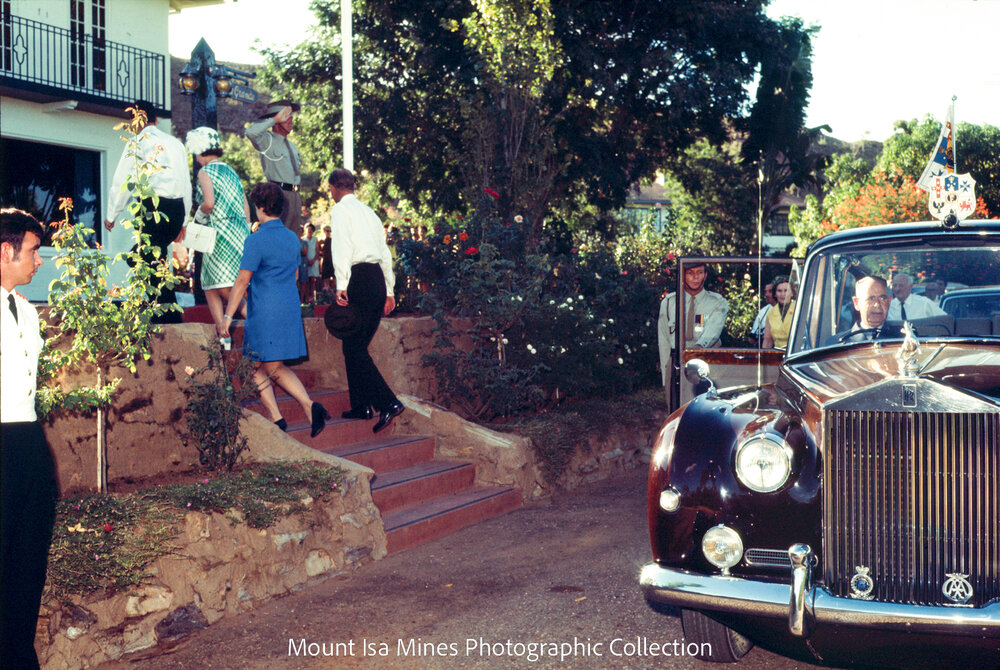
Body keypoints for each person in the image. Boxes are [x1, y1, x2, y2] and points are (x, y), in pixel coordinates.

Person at [218, 183, 329, 437]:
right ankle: (286, 416)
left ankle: (301, 409)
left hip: (265, 310)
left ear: (260, 207)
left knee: (266, 366)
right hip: (288, 307)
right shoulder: (293, 239)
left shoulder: (256, 240)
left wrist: (227, 317)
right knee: (264, 365)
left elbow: (242, 281)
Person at [1, 209, 57, 669]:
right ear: (7, 250)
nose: (40, 260)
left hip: (30, 446)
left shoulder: (27, 312)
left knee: (27, 570)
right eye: (34, 250)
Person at [328, 168, 404, 433]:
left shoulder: (340, 211)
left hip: (358, 278)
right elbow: (384, 253)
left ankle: (388, 402)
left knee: (356, 347)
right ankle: (361, 406)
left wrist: (341, 284)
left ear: (333, 189)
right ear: (353, 186)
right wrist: (390, 290)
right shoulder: (370, 212)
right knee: (353, 343)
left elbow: (342, 248)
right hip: (376, 279)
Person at [104, 100, 191, 316]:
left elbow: (123, 180)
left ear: (134, 121)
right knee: (154, 257)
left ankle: (165, 310)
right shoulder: (175, 143)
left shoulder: (137, 142)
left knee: (142, 257)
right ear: (156, 119)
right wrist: (185, 220)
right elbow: (186, 181)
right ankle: (163, 308)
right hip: (177, 208)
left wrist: (111, 214)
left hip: (154, 207)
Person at [185, 127, 251, 334]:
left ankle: (232, 332)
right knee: (214, 284)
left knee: (218, 286)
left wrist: (197, 219)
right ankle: (223, 332)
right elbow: (245, 205)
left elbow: (209, 204)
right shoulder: (231, 170)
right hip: (239, 231)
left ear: (199, 150)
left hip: (219, 232)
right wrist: (245, 231)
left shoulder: (205, 172)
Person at [657, 260, 729, 394]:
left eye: (700, 273)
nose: (695, 277)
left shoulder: (718, 302)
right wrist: (666, 376)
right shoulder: (669, 303)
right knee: (676, 411)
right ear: (682, 275)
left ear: (705, 275)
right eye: (690, 273)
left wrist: (696, 351)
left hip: (707, 364)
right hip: (676, 364)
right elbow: (664, 340)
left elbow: (712, 333)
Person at [245, 101, 303, 236]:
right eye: (286, 117)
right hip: (279, 194)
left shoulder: (292, 146)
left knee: (293, 238)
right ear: (277, 120)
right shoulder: (267, 141)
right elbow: (251, 133)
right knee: (277, 236)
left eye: (291, 117)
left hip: (296, 195)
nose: (291, 120)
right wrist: (274, 120)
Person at [829, 276, 903, 344]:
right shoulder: (836, 343)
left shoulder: (904, 339)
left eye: (882, 298)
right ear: (856, 303)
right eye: (870, 298)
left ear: (889, 302)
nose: (877, 304)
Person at [762, 276, 795, 349]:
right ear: (775, 294)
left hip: (797, 355)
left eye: (786, 290)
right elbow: (767, 341)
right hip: (778, 355)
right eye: (779, 291)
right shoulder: (771, 313)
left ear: (792, 293)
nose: (783, 294)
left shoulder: (799, 308)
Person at [318, 225, 334, 292]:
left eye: (330, 231)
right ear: (323, 231)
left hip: (332, 261)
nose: (329, 232)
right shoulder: (320, 241)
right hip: (325, 261)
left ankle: (333, 293)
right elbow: (318, 251)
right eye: (327, 231)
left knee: (334, 278)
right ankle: (326, 294)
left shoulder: (333, 240)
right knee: (325, 278)